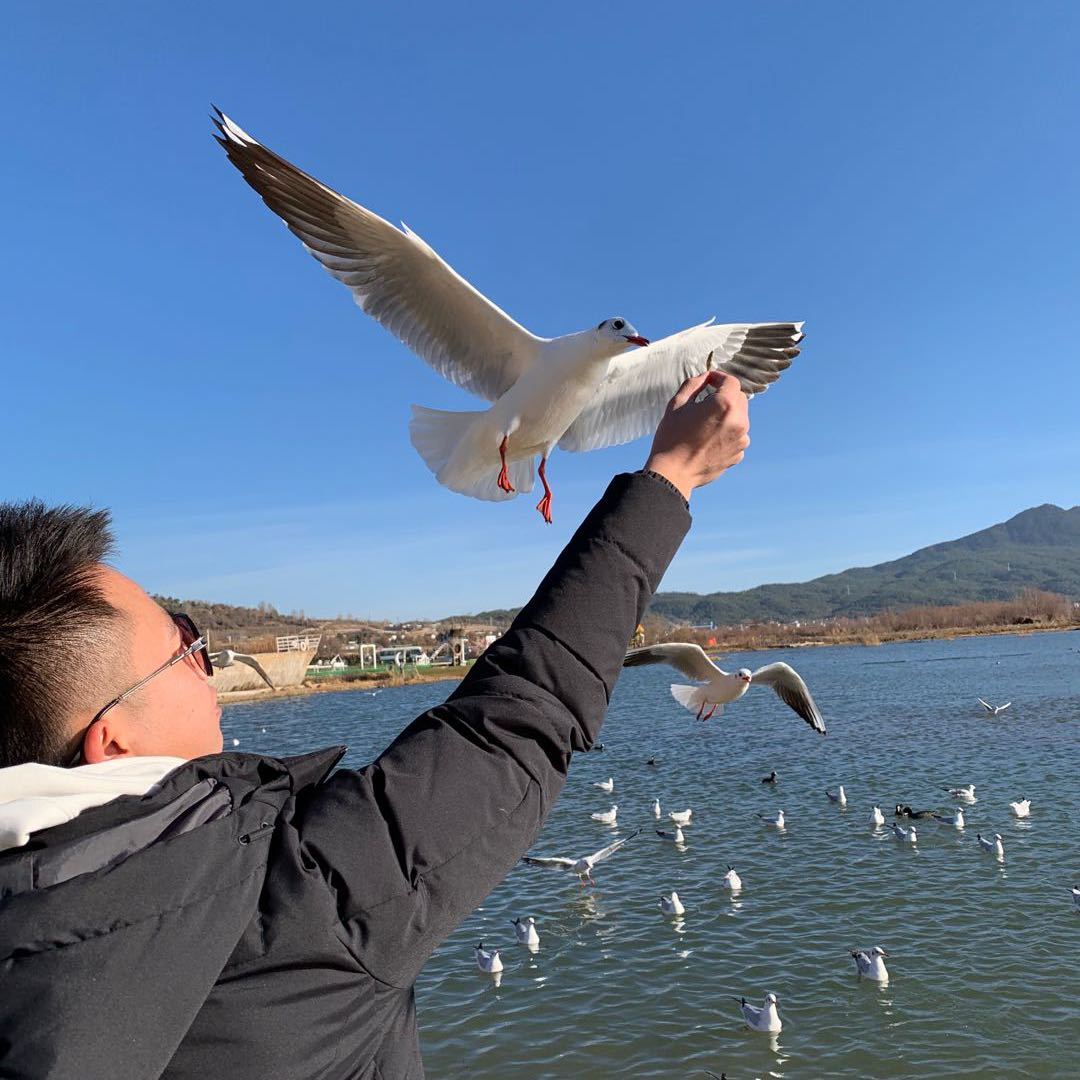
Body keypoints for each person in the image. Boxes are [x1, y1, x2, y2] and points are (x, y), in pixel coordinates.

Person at [0, 371, 749, 1080]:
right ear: (112, 743)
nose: (207, 660)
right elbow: (520, 716)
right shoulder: (295, 903)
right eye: (184, 644)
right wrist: (671, 476)